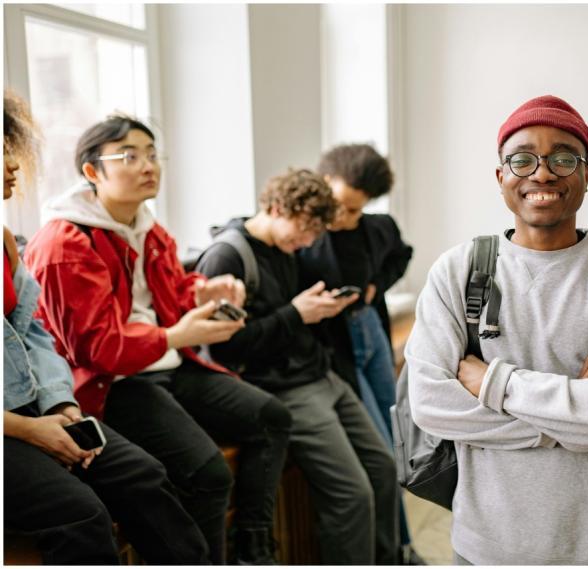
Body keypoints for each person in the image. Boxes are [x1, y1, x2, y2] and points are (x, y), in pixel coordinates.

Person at [405, 95, 588, 565]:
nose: (542, 174)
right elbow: (429, 403)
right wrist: (574, 418)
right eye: (522, 159)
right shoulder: (458, 271)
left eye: (564, 158)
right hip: (487, 544)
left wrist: (492, 383)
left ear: (587, 174)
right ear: (501, 176)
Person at [24, 114, 292, 564]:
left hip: (168, 361)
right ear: (92, 172)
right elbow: (98, 350)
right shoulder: (65, 244)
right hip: (114, 381)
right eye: (129, 155)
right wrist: (176, 333)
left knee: (272, 417)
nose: (148, 165)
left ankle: (253, 546)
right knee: (208, 471)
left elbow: (171, 295)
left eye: (152, 154)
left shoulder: (149, 227)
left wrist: (206, 293)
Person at [3, 90, 209, 564]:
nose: (13, 165)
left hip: (41, 405)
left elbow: (33, 332)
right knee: (81, 515)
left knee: (145, 475)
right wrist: (28, 430)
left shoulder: (4, 242)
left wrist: (59, 403)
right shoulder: (64, 238)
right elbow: (99, 346)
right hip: (11, 425)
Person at [195, 168, 400, 564]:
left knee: (384, 469)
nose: (306, 242)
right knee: (353, 494)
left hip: (321, 376)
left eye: (314, 234)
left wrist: (318, 311)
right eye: (303, 230)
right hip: (284, 390)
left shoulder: (285, 251)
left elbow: (292, 318)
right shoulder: (226, 256)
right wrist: (296, 314)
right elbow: (224, 349)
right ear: (274, 207)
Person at [297, 143, 422, 564]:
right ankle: (397, 551)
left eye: (354, 210)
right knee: (384, 452)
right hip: (338, 351)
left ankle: (401, 547)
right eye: (339, 206)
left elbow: (401, 257)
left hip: (372, 334)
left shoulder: (378, 227)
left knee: (395, 439)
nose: (343, 218)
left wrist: (375, 287)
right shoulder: (305, 237)